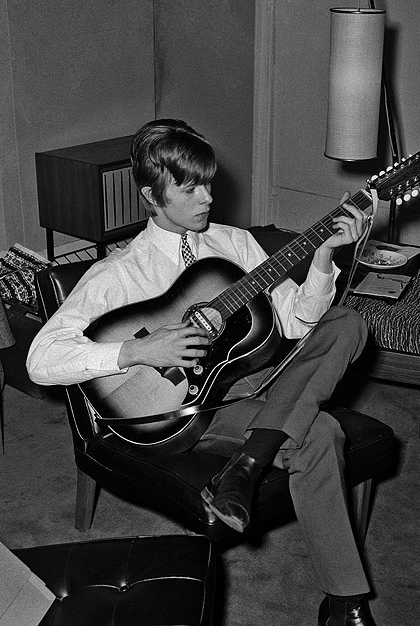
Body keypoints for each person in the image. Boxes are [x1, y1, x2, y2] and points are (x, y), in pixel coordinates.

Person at [27, 118, 379, 626]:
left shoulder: (235, 245)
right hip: (195, 409)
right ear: (150, 195)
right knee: (320, 430)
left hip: (270, 379)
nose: (206, 197)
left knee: (347, 320)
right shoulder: (118, 273)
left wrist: (323, 258)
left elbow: (298, 322)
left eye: (208, 183)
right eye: (187, 186)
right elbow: (41, 360)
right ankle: (346, 603)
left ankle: (246, 466)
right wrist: (134, 352)